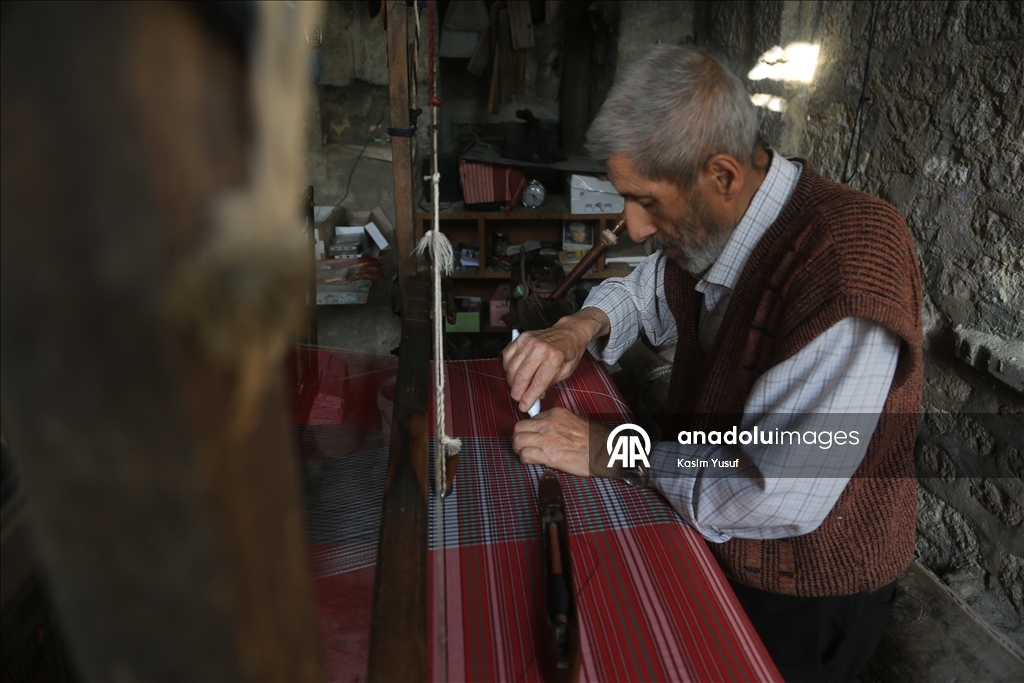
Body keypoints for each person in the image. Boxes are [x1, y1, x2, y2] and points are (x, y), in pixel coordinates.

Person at [502, 45, 922, 683]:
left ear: (722, 175)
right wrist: (575, 328)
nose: (633, 227)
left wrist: (609, 449)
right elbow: (648, 289)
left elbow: (767, 489)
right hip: (721, 543)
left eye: (646, 201)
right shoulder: (720, 229)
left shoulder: (847, 266)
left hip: (801, 590)